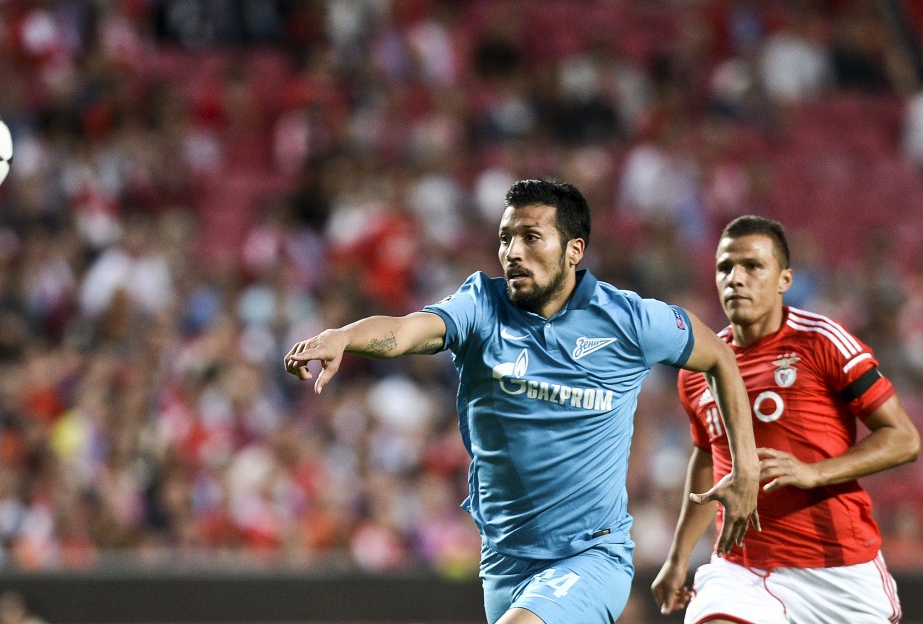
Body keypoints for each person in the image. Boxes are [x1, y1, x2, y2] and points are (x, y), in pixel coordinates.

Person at [285, 179, 760, 624]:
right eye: (505, 238)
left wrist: (746, 466)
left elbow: (720, 357)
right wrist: (344, 337)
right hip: (504, 562)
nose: (513, 252)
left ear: (574, 250)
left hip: (590, 556)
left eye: (531, 237)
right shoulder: (480, 306)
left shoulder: (629, 320)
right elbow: (408, 329)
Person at [652, 215, 921, 624]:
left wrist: (814, 472)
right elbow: (708, 456)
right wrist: (678, 558)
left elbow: (903, 438)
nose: (736, 278)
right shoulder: (698, 369)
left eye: (752, 266)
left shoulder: (821, 340)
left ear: (785, 280)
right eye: (725, 267)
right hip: (740, 569)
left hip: (837, 569)